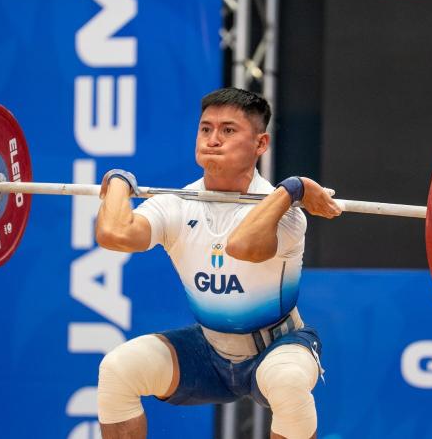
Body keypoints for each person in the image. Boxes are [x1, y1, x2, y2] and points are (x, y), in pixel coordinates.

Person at [94, 87, 341, 439]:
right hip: (209, 350)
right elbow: (114, 234)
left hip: (279, 348)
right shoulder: (176, 206)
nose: (212, 139)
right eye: (206, 129)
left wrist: (292, 189)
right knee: (118, 369)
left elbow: (241, 246)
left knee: (287, 383)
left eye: (228, 130)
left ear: (261, 144)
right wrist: (119, 181)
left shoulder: (286, 215)